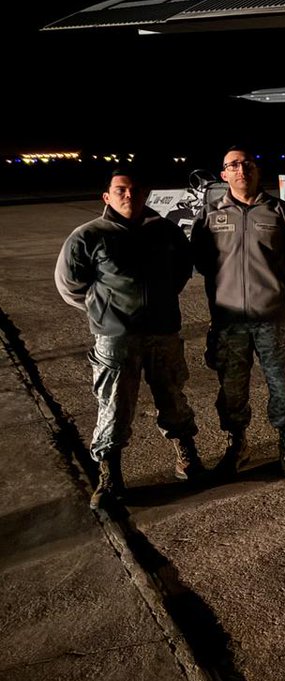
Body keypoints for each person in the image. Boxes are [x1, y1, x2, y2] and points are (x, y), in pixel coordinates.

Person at [55, 165, 203, 510]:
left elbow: (181, 272)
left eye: (135, 190)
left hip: (164, 332)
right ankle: (109, 473)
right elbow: (70, 285)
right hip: (116, 338)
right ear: (107, 196)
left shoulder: (165, 231)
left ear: (145, 195)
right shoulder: (88, 236)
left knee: (173, 396)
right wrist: (105, 310)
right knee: (114, 405)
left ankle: (186, 455)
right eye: (120, 190)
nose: (128, 195)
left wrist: (161, 301)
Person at [192, 147, 285, 478]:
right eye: (233, 165)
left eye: (248, 164)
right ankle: (237, 443)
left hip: (274, 319)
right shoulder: (210, 217)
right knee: (231, 388)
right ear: (224, 173)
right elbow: (202, 262)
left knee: (282, 386)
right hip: (229, 322)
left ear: (257, 172)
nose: (242, 170)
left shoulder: (281, 213)